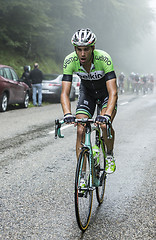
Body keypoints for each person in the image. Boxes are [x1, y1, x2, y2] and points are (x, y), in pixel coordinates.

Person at [61, 28, 118, 175]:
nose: (82, 54)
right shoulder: (69, 60)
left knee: (104, 126)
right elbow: (65, 93)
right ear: (75, 49)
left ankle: (109, 154)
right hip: (87, 94)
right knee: (80, 129)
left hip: (105, 94)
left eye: (86, 49)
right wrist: (67, 113)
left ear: (93, 48)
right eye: (79, 49)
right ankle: (82, 174)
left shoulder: (104, 58)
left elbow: (113, 92)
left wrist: (107, 115)